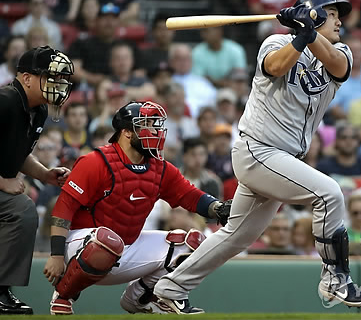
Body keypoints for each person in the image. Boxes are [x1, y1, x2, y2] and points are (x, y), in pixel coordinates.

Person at [154, 0, 361, 313]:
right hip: (258, 150)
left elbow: (337, 65)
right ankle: (334, 278)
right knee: (329, 194)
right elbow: (274, 67)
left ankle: (169, 288)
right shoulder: (275, 43)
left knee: (236, 237)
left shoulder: (340, 51)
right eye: (331, 13)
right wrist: (299, 37)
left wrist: (309, 33)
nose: (340, 20)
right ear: (312, 14)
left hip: (283, 160)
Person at [42, 101, 231, 315]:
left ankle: (139, 298)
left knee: (191, 244)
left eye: (155, 124)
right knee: (105, 241)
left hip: (127, 245)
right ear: (126, 132)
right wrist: (56, 255)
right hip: (81, 247)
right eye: (147, 125)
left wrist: (218, 208)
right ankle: (64, 294)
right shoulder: (95, 161)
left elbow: (189, 195)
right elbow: (63, 208)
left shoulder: (160, 167)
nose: (155, 131)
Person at [0, 45, 74, 315]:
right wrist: (2, 181)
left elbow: (19, 153)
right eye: (51, 77)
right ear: (26, 78)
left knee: (20, 209)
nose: (59, 84)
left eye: (62, 79)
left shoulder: (37, 110)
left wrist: (44, 173)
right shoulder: (5, 100)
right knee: (20, 209)